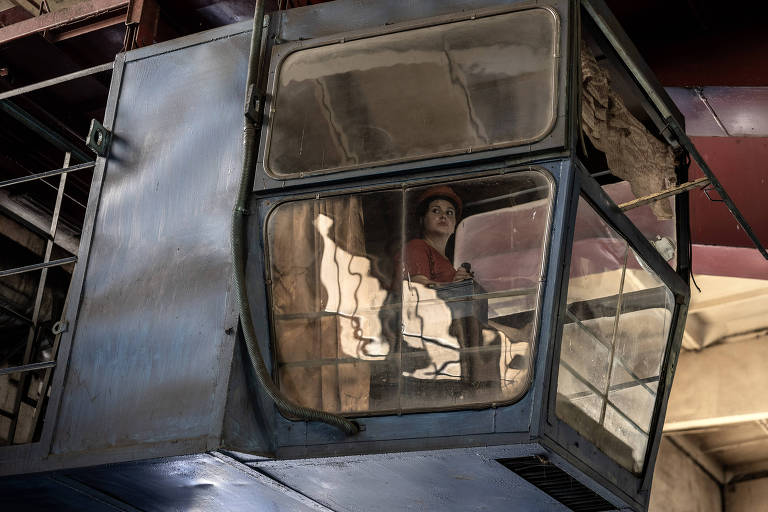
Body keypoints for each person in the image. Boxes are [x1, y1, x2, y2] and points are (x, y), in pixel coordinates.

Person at [403, 185, 472, 287]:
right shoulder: (416, 246)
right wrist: (455, 287)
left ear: (454, 226)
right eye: (436, 210)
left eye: (449, 212)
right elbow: (419, 287)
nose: (444, 216)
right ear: (422, 220)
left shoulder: (448, 261)